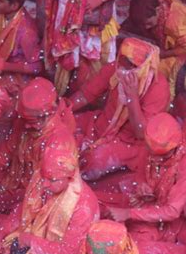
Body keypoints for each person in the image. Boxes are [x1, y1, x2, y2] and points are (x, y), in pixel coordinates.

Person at [70, 38, 169, 181]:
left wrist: (132, 97)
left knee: (91, 162)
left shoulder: (158, 88)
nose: (122, 70)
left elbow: (141, 133)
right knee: (64, 126)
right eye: (121, 61)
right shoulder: (115, 69)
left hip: (129, 142)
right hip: (101, 125)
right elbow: (86, 95)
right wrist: (63, 108)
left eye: (131, 66)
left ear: (144, 66)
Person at [108, 113, 186, 243]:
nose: (155, 159)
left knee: (132, 243)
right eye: (151, 152)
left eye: (162, 155)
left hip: (169, 219)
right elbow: (142, 170)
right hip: (149, 201)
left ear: (175, 147)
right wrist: (142, 184)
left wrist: (129, 213)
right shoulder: (152, 143)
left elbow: (173, 212)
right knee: (107, 208)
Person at [0, 77, 75, 213]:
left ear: (48, 115)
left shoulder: (59, 141)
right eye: (24, 119)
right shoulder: (27, 119)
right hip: (16, 179)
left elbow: (49, 187)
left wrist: (16, 201)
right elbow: (8, 148)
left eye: (32, 121)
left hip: (37, 194)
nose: (26, 125)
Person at [128, 0, 186, 80]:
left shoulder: (175, 24)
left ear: (157, 10)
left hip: (185, 54)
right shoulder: (157, 2)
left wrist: (164, 54)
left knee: (153, 71)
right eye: (142, 24)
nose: (146, 27)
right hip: (168, 45)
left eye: (148, 23)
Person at [0, 0, 42, 76]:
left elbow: (36, 67)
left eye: (1, 1)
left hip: (15, 74)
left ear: (14, 6)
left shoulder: (26, 32)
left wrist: (3, 66)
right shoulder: (2, 13)